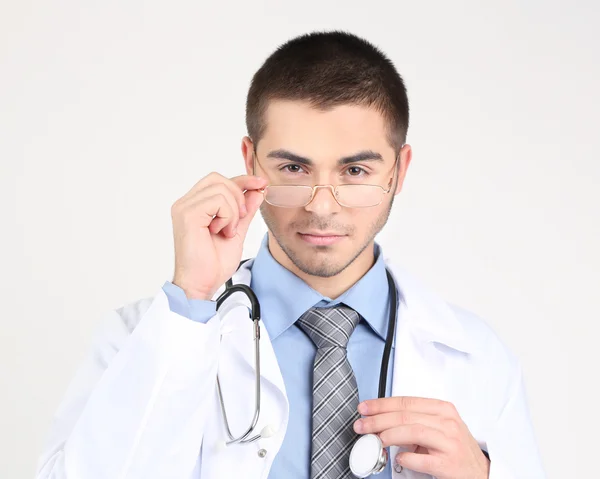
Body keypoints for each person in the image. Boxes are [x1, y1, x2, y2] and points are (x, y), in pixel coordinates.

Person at [36, 31, 545, 479]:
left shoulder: (476, 359)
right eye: (294, 170)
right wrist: (190, 302)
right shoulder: (144, 337)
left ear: (399, 171)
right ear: (250, 161)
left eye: (356, 172)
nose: (322, 207)